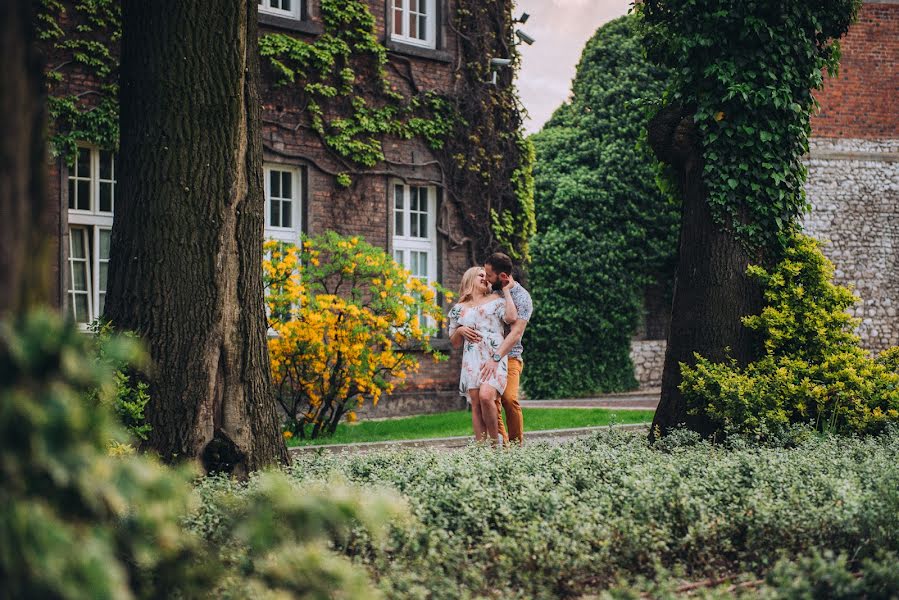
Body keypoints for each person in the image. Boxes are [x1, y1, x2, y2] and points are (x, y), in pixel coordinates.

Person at [448, 266, 518, 445]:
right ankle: (480, 448)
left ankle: (495, 443)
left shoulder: (496, 300)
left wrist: (506, 292)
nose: (485, 278)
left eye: (486, 276)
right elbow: (454, 342)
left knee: (486, 396)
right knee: (476, 405)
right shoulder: (458, 309)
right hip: (472, 359)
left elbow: (511, 317)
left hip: (493, 356)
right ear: (470, 279)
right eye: (480, 275)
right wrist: (461, 330)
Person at [480, 252, 533, 445]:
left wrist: (496, 358)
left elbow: (515, 333)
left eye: (489, 275)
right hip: (488, 357)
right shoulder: (489, 292)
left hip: (510, 357)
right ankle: (502, 448)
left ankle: (517, 446)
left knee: (509, 399)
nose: (486, 278)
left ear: (502, 276)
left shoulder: (523, 298)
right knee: (491, 401)